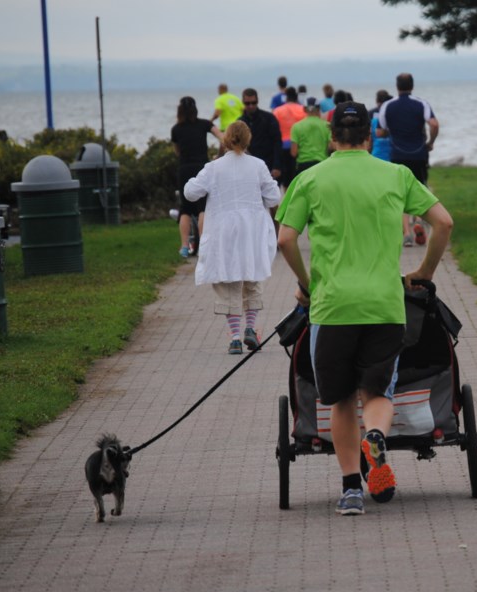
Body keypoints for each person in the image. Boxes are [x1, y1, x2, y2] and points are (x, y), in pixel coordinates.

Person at [276, 102, 454, 516]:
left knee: (339, 400)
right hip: (384, 305)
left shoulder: (310, 178)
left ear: (331, 138)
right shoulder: (396, 174)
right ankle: (375, 434)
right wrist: (424, 272)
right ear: (370, 138)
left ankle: (351, 489)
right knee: (378, 392)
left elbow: (285, 239)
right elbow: (443, 222)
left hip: (332, 306)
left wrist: (307, 284)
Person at [184, 121, 282, 354]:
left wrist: (189, 179)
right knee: (252, 277)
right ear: (248, 140)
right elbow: (273, 197)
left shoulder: (213, 167)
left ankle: (235, 337)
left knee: (227, 281)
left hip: (223, 231)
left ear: (226, 140)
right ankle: (250, 328)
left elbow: (191, 193)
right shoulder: (258, 165)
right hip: (252, 231)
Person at [378, 73, 439, 246]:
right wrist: (430, 142)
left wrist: (391, 131)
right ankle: (418, 222)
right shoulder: (422, 104)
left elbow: (381, 130)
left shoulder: (387, 106)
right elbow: (434, 124)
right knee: (419, 189)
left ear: (397, 86)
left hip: (397, 154)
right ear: (412, 85)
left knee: (400, 193)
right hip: (419, 154)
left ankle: (406, 233)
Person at [171, 96, 222, 258]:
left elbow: (177, 151)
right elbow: (222, 137)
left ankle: (185, 246)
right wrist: (219, 156)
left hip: (184, 168)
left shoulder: (176, 129)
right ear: (196, 109)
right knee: (203, 207)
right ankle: (205, 246)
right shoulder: (205, 124)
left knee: (185, 209)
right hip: (202, 168)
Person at [238, 88, 283, 183]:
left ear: (257, 101)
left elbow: (277, 142)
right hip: (248, 168)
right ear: (243, 102)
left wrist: (277, 166)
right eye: (247, 103)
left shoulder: (269, 118)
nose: (250, 106)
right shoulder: (240, 122)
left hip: (269, 165)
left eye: (253, 103)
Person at [273, 86, 307, 190]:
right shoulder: (303, 109)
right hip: (299, 147)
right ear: (296, 97)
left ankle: (287, 198)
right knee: (298, 177)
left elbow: (274, 130)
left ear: (286, 97)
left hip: (283, 147)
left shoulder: (278, 111)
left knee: (286, 179)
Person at [289, 97, 331, 175]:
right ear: (319, 109)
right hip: (322, 164)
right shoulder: (327, 125)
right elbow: (331, 147)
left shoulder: (296, 126)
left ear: (304, 109)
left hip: (303, 165)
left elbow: (293, 152)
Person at [369, 89, 392, 162]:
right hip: (390, 151)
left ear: (376, 100)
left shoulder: (370, 114)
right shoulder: (392, 114)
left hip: (376, 150)